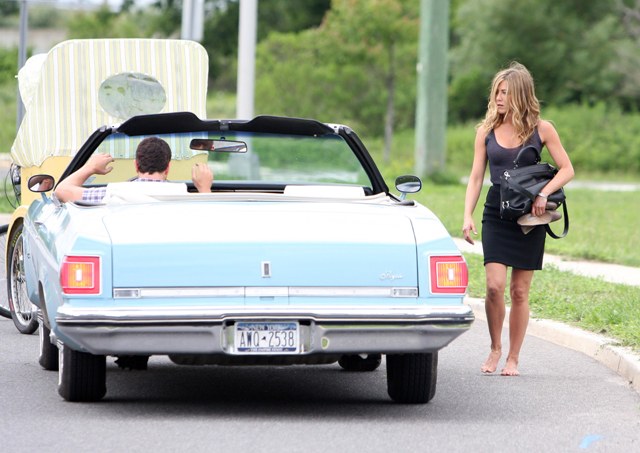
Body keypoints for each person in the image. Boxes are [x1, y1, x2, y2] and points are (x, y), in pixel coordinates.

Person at [462, 62, 574, 376]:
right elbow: (476, 177)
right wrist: (467, 214)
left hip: (529, 216)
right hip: (496, 211)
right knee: (494, 286)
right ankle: (495, 347)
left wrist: (543, 194)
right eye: (497, 92)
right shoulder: (485, 131)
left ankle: (513, 357)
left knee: (520, 291)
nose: (499, 98)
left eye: (505, 93)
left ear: (521, 95)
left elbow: (567, 169)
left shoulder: (542, 129)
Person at [55, 136, 213, 203]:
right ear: (168, 167)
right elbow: (209, 220)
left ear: (136, 165)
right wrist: (204, 189)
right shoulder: (183, 196)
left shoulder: (112, 193)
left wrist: (90, 167)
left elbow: (61, 191)